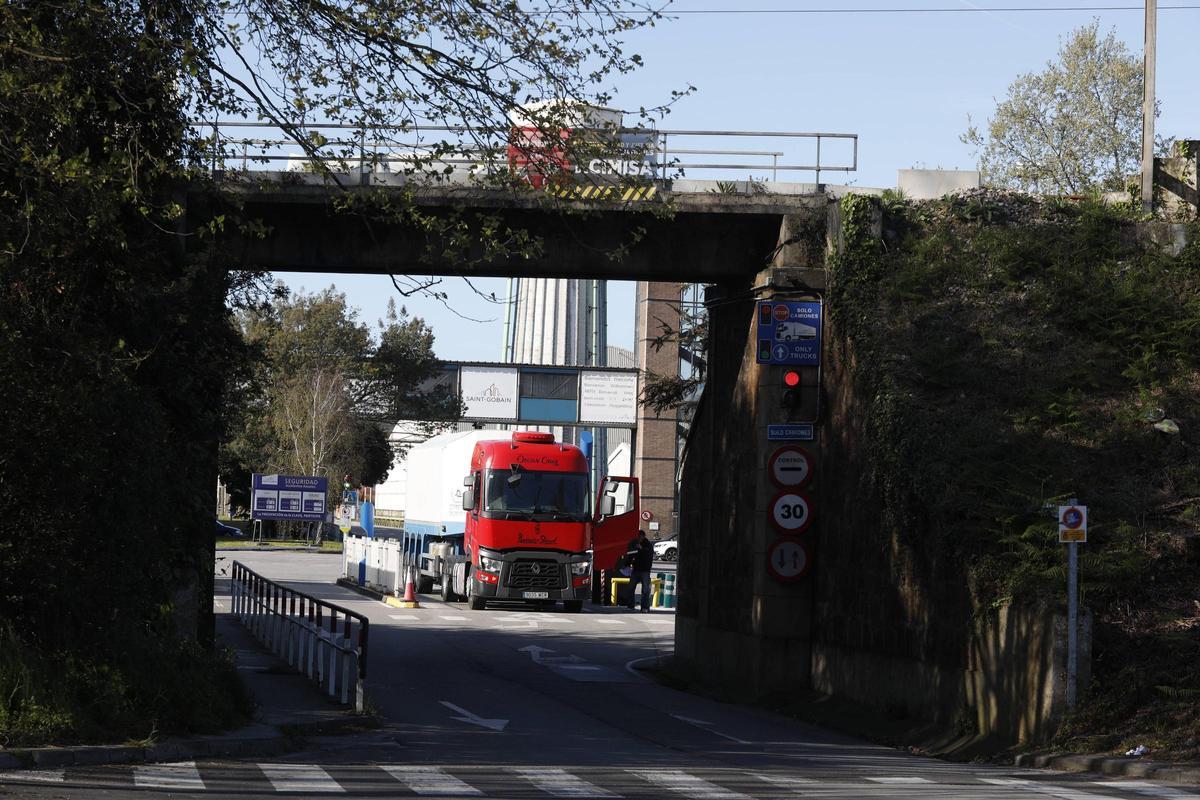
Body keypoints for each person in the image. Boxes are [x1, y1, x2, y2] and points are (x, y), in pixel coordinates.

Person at [624, 530, 655, 612]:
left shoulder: (648, 544)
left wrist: (641, 549)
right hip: (636, 569)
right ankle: (630, 605)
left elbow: (649, 555)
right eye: (637, 537)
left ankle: (644, 607)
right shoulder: (634, 543)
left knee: (645, 590)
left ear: (643, 536)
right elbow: (630, 554)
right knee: (630, 588)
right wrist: (627, 564)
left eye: (640, 537)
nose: (638, 539)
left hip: (645, 570)